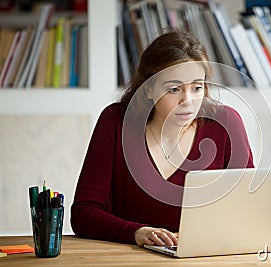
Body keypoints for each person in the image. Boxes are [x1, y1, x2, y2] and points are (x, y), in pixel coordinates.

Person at [71, 30, 254, 248]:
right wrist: (136, 232)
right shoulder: (115, 121)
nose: (188, 101)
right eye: (174, 89)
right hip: (128, 258)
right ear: (148, 89)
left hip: (203, 256)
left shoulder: (226, 123)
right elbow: (83, 213)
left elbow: (249, 207)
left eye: (197, 87)